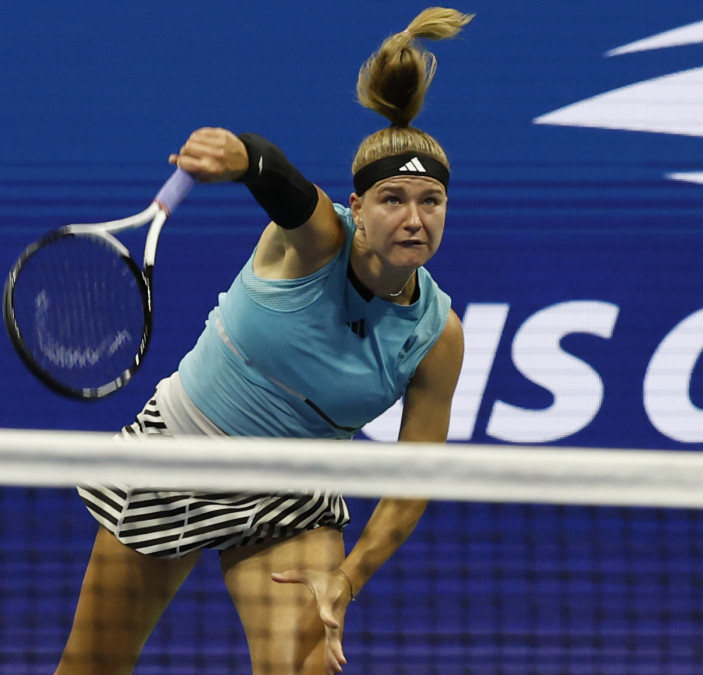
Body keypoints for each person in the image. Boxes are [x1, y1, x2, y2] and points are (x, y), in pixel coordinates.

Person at [54, 7, 472, 675]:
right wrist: (242, 155)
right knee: (93, 664)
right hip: (181, 459)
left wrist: (351, 575)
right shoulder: (316, 242)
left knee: (305, 664)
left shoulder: (437, 335)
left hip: (291, 492)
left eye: (432, 200)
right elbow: (280, 180)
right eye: (393, 198)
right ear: (358, 208)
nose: (415, 218)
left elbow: (415, 475)